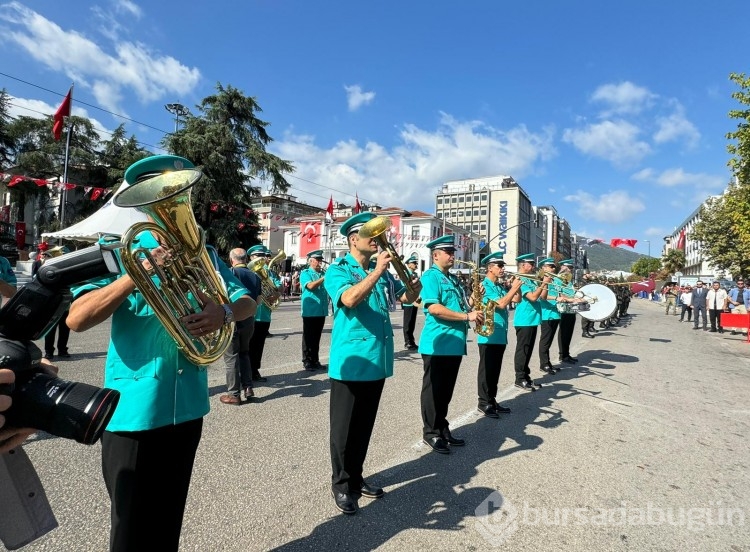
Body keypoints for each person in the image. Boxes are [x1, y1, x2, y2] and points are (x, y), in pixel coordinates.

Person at [66, 155, 256, 552]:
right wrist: (135, 277)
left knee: (168, 520)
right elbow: (77, 319)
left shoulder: (201, 250)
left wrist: (221, 311)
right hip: (133, 410)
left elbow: (246, 304)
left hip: (187, 409)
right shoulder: (116, 249)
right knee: (130, 528)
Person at [324, 212, 420, 515]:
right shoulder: (338, 270)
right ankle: (341, 484)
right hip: (351, 362)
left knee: (364, 426)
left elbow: (405, 300)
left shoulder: (382, 273)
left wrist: (413, 289)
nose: (380, 241)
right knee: (344, 430)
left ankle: (356, 477)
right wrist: (378, 271)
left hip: (376, 359)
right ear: (354, 240)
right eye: (372, 236)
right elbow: (349, 300)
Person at [418, 235, 483, 454]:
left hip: (454, 343)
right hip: (438, 343)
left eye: (453, 252)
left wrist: (474, 299)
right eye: (448, 253)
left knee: (445, 391)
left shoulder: (453, 279)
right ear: (436, 255)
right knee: (433, 391)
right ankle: (431, 432)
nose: (453, 256)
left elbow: (464, 306)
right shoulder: (430, 277)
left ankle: (442, 427)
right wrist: (467, 317)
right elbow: (434, 308)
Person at [475, 252, 522, 418]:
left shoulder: (500, 286)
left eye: (503, 266)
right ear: (490, 268)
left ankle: (492, 399)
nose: (503, 268)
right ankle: (483, 402)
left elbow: (517, 300)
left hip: (500, 333)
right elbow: (501, 304)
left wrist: (517, 287)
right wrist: (514, 288)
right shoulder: (484, 286)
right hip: (488, 334)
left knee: (495, 370)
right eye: (499, 266)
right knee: (486, 370)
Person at [220, 248, 261, 405]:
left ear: (232, 260)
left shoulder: (229, 272)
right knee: (244, 353)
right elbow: (257, 302)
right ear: (246, 259)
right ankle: (248, 388)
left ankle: (234, 394)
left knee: (231, 357)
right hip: (249, 319)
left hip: (231, 318)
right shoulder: (255, 276)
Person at [512, 253, 552, 391]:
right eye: (531, 264)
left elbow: (543, 296)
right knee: (522, 350)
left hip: (533, 319)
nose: (534, 266)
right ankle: (520, 378)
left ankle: (526, 376)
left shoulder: (531, 279)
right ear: (523, 265)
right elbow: (533, 297)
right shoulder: (520, 279)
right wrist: (544, 282)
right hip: (524, 320)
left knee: (528, 351)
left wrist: (545, 284)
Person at [246, 245, 280, 381]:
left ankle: (255, 371)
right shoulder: (247, 271)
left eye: (262, 255)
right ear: (251, 258)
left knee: (259, 345)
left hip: (264, 314)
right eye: (257, 256)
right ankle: (245, 373)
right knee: (247, 345)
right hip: (250, 314)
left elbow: (279, 286)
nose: (261, 258)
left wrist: (277, 293)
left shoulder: (269, 272)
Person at [33, 250, 72, 360]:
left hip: (65, 304)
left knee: (65, 329)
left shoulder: (67, 272)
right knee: (50, 330)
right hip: (51, 304)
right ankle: (49, 351)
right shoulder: (45, 271)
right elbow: (36, 280)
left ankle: (62, 350)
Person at [300, 249, 329, 371]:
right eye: (317, 260)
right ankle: (307, 361)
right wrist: (324, 278)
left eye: (320, 260)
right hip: (310, 310)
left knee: (317, 337)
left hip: (321, 310)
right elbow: (311, 286)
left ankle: (315, 360)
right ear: (310, 261)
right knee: (308, 337)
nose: (320, 262)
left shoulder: (322, 274)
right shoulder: (305, 273)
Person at [556, 259, 579, 363]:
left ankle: (566, 353)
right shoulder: (558, 279)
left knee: (569, 332)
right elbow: (559, 294)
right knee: (564, 332)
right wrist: (571, 299)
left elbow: (572, 293)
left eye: (571, 268)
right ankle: (563, 355)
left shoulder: (568, 281)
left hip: (571, 309)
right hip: (563, 309)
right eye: (569, 268)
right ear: (563, 268)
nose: (570, 270)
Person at [402, 255, 420, 350]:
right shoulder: (405, 274)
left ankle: (411, 341)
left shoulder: (415, 274)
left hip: (415, 301)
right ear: (408, 265)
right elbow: (403, 286)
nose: (416, 264)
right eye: (414, 263)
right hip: (408, 302)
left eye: (416, 263)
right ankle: (407, 342)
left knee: (412, 322)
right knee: (407, 323)